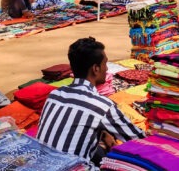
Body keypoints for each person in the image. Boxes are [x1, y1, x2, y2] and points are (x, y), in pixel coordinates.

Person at [37, 37, 145, 165]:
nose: (107, 69)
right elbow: (139, 140)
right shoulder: (102, 106)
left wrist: (104, 133)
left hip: (40, 163)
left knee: (98, 150)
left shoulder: (55, 94)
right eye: (105, 64)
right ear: (96, 69)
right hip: (69, 167)